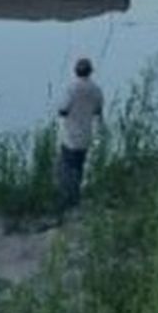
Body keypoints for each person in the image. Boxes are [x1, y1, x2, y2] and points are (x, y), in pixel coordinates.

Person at [57, 57, 104, 210]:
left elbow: (63, 110)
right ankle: (76, 199)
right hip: (86, 134)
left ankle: (68, 201)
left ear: (76, 71)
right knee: (79, 166)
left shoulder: (71, 88)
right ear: (90, 71)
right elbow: (98, 111)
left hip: (70, 135)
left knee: (67, 168)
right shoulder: (96, 90)